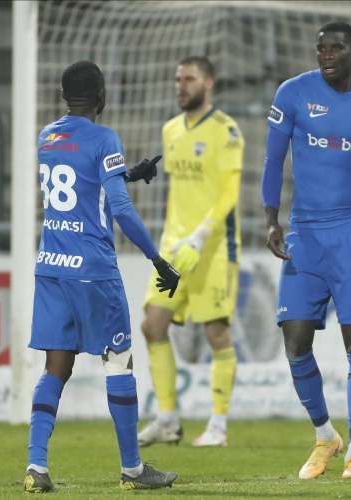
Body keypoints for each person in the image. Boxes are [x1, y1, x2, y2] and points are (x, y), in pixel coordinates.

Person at [24, 60, 181, 493]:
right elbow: (120, 209)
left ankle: (36, 467)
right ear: (102, 96)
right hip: (93, 270)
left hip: (52, 266)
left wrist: (126, 175)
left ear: (63, 97)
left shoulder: (47, 136)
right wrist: (157, 259)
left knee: (56, 364)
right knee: (119, 361)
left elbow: (79, 185)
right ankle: (133, 470)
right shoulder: (105, 137)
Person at [261, 21, 351, 480]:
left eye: (335, 48)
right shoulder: (293, 93)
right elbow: (274, 160)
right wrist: (272, 219)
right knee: (294, 340)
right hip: (305, 235)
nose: (326, 54)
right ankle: (324, 435)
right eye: (320, 48)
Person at [137, 56, 244, 448]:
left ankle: (217, 425)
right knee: (153, 325)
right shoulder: (169, 130)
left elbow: (229, 194)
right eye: (177, 78)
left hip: (213, 249)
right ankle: (167, 419)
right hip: (175, 251)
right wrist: (176, 240)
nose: (180, 85)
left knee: (216, 331)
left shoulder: (226, 131)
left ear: (209, 84)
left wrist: (200, 236)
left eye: (189, 79)